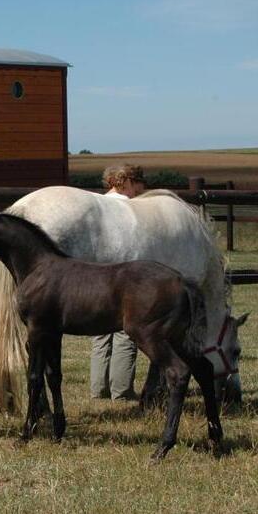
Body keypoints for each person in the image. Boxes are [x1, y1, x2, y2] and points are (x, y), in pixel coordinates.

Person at [89, 164, 146, 400]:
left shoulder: (97, 205)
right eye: (137, 186)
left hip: (97, 277)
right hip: (122, 277)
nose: (138, 191)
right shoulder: (130, 208)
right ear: (128, 182)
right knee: (125, 332)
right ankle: (121, 391)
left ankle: (98, 388)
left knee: (100, 334)